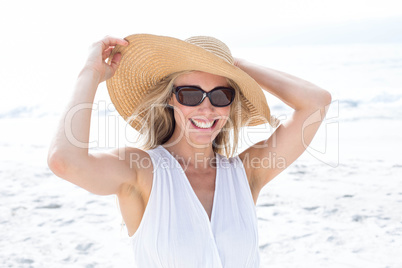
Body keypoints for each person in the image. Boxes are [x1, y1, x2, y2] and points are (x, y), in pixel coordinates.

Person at [47, 34, 331, 267]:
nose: (206, 108)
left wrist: (237, 67)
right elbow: (64, 162)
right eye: (191, 95)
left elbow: (316, 103)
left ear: (230, 105)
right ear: (170, 99)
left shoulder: (245, 173)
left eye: (221, 95)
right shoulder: (140, 170)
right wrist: (91, 72)